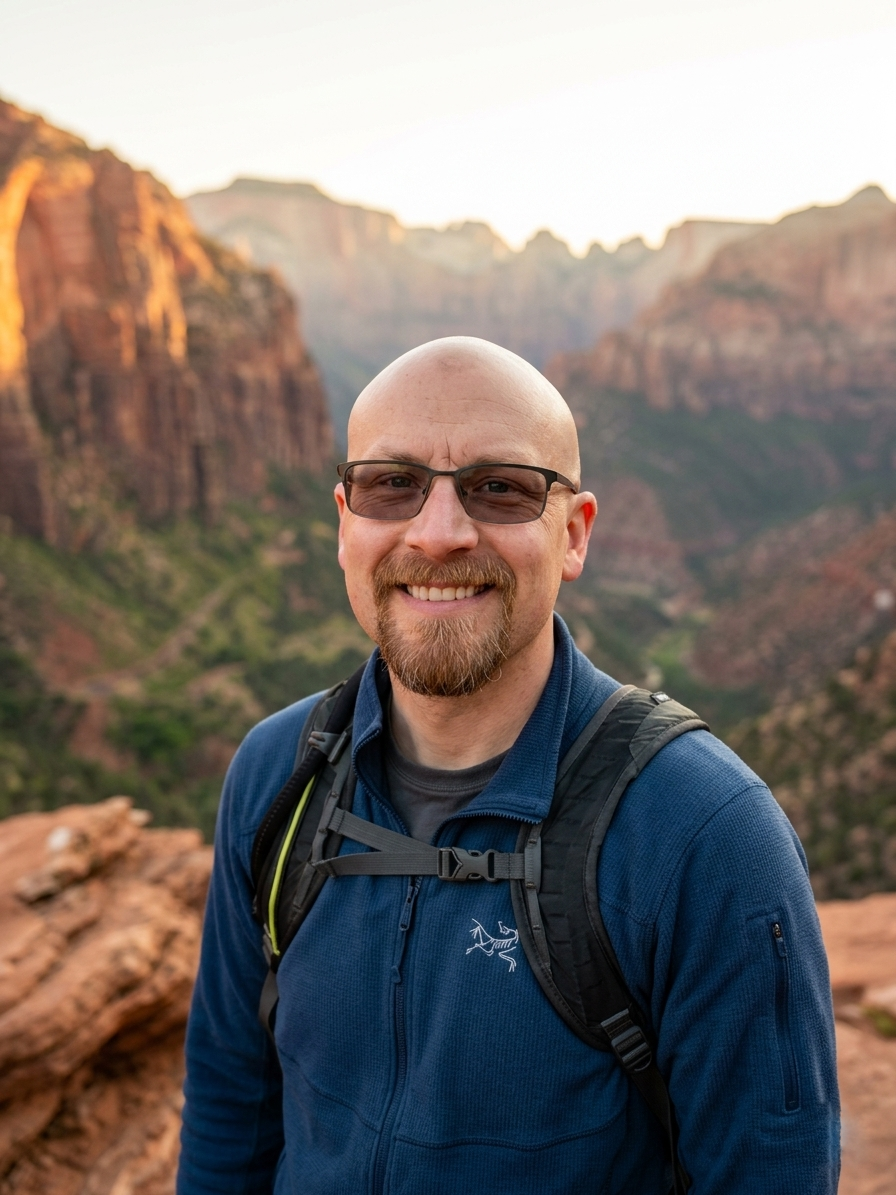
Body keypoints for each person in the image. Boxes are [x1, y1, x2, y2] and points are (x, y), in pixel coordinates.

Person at [178, 337, 839, 1194]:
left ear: (574, 533)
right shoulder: (277, 776)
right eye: (392, 483)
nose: (441, 532)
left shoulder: (707, 837)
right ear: (345, 522)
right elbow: (231, 1116)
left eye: (501, 487)